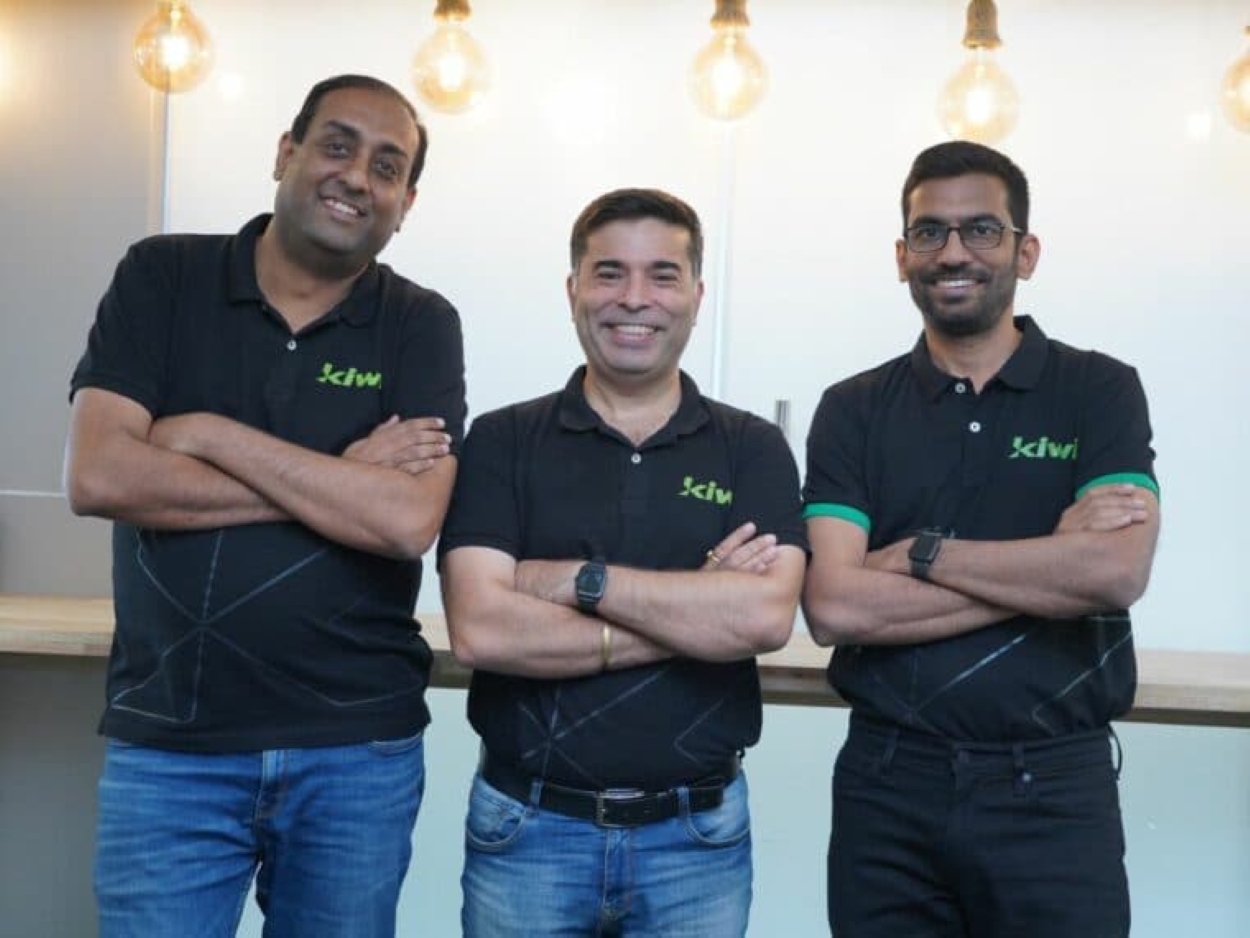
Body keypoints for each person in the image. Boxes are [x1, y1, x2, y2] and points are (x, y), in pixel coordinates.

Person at [64, 74, 465, 937]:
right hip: (170, 743)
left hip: (354, 750)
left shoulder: (419, 323)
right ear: (285, 152)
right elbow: (99, 476)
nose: (358, 176)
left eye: (388, 166)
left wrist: (203, 431)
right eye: (337, 144)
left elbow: (403, 521)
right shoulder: (163, 277)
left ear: (407, 202)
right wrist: (338, 477)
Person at [802, 140, 1160, 937]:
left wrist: (923, 556)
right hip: (888, 783)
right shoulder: (853, 409)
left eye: (982, 230)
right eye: (929, 233)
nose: (953, 252)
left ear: (1025, 252)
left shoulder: (1099, 390)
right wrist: (1044, 571)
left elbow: (1113, 572)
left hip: (1056, 787)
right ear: (901, 257)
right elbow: (833, 605)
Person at [438, 187, 807, 937]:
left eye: (662, 275)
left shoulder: (751, 450)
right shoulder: (505, 441)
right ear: (573, 289)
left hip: (696, 839)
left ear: (697, 296)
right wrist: (697, 607)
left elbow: (765, 617)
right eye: (609, 273)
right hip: (527, 832)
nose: (634, 298)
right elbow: (481, 628)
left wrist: (578, 583)